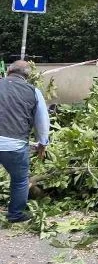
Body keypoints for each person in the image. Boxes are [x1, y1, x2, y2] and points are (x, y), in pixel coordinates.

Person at [0, 61, 50, 223]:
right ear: (27, 76)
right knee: (20, 179)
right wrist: (42, 143)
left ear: (8, 71)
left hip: (12, 141)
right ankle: (15, 214)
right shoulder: (33, 92)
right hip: (14, 145)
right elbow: (42, 121)